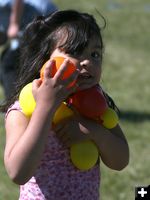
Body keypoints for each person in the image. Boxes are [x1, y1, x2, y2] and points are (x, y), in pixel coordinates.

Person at [1, 10, 129, 200]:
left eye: (95, 54)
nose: (87, 61)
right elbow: (18, 173)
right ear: (45, 60)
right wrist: (45, 107)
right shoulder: (22, 111)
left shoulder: (95, 105)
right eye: (75, 52)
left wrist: (94, 131)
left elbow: (120, 161)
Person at [0, 0, 57, 99]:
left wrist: (14, 24)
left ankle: (14, 101)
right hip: (26, 24)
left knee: (9, 63)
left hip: (40, 16)